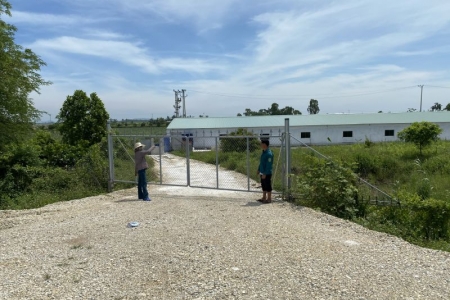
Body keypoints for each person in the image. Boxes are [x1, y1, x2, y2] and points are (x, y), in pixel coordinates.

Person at [257, 139, 273, 203]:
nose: (260, 145)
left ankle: (269, 199)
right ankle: (264, 197)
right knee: (263, 185)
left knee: (267, 185)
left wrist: (265, 173)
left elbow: (268, 165)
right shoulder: (263, 152)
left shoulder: (269, 154)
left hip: (266, 173)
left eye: (261, 144)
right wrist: (258, 169)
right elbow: (261, 163)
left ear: (264, 144)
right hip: (262, 171)